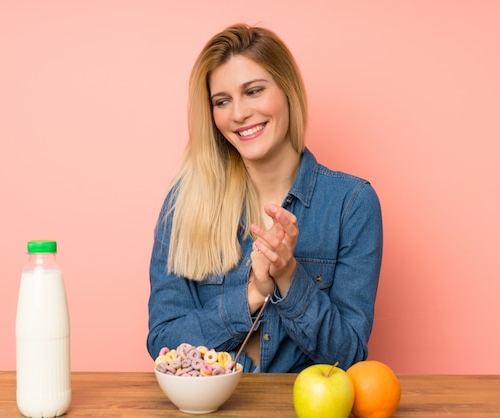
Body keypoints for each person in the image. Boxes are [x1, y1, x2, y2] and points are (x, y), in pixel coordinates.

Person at [147, 23, 383, 373]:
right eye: (222, 101)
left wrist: (288, 275)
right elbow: (164, 344)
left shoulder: (351, 204)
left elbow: (347, 356)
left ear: (287, 91)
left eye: (254, 91)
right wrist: (253, 294)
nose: (239, 113)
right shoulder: (185, 203)